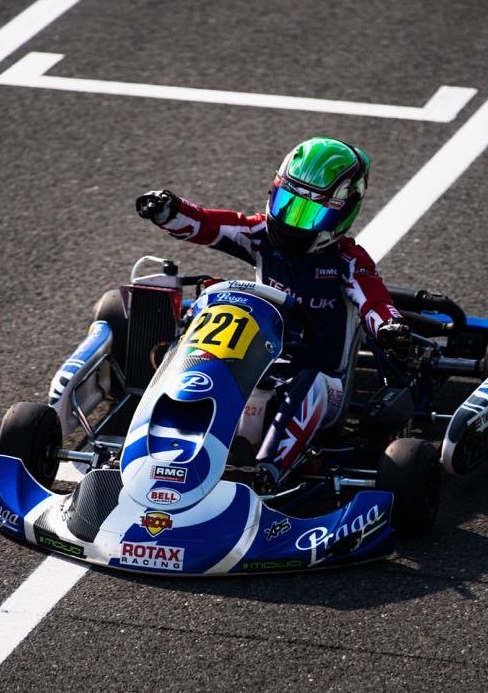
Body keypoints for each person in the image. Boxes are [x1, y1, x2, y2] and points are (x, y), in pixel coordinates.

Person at [136, 136, 407, 488]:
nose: (292, 221)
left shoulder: (347, 261)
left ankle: (266, 471)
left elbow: (374, 301)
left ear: (342, 213)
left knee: (308, 381)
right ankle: (156, 452)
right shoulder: (260, 235)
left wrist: (390, 328)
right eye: (287, 203)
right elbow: (207, 225)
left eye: (308, 212)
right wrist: (169, 210)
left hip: (322, 382)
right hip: (256, 365)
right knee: (199, 362)